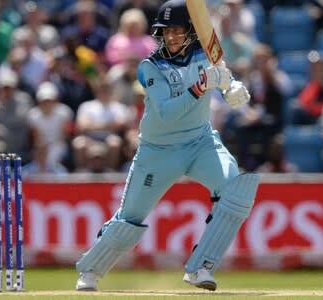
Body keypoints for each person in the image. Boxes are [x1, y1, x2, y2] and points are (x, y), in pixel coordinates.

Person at [75, 0, 259, 292]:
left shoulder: (205, 55)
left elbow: (223, 78)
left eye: (178, 30)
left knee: (236, 190)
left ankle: (202, 267)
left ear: (190, 31)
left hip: (200, 142)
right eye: (167, 31)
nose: (172, 37)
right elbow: (168, 112)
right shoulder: (150, 67)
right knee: (130, 218)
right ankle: (90, 270)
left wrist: (232, 89)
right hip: (159, 151)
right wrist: (202, 86)